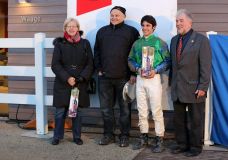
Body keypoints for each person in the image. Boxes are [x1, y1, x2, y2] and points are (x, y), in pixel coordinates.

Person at [94, 6, 139, 147]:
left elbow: (136, 54)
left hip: (124, 78)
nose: (114, 17)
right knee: (106, 109)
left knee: (125, 110)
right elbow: (97, 52)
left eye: (117, 15)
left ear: (124, 17)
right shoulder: (102, 32)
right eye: (112, 15)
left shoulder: (131, 32)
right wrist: (99, 69)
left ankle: (124, 136)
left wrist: (133, 73)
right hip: (105, 78)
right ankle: (108, 134)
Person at [169, 9, 211, 157]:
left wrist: (202, 87)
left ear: (190, 21)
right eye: (176, 21)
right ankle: (181, 144)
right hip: (177, 88)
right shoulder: (174, 40)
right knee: (179, 120)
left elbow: (206, 66)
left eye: (181, 20)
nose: (178, 23)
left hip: (195, 88)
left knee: (196, 120)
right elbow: (174, 65)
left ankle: (195, 147)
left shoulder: (201, 40)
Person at [128, 15, 170, 153]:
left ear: (154, 27)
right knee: (141, 110)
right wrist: (137, 69)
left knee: (156, 110)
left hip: (154, 79)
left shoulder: (160, 43)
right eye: (143, 25)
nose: (145, 28)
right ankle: (143, 137)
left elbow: (168, 61)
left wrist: (156, 70)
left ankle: (159, 139)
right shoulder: (137, 43)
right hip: (140, 79)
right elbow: (130, 60)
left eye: (148, 25)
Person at [51, 18, 93, 145]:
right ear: (65, 28)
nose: (71, 28)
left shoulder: (85, 43)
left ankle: (77, 136)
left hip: (79, 84)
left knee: (77, 112)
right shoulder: (59, 44)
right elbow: (55, 64)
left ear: (78, 28)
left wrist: (81, 78)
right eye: (68, 26)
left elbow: (90, 64)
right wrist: (67, 78)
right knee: (60, 112)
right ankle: (57, 136)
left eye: (74, 26)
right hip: (63, 83)